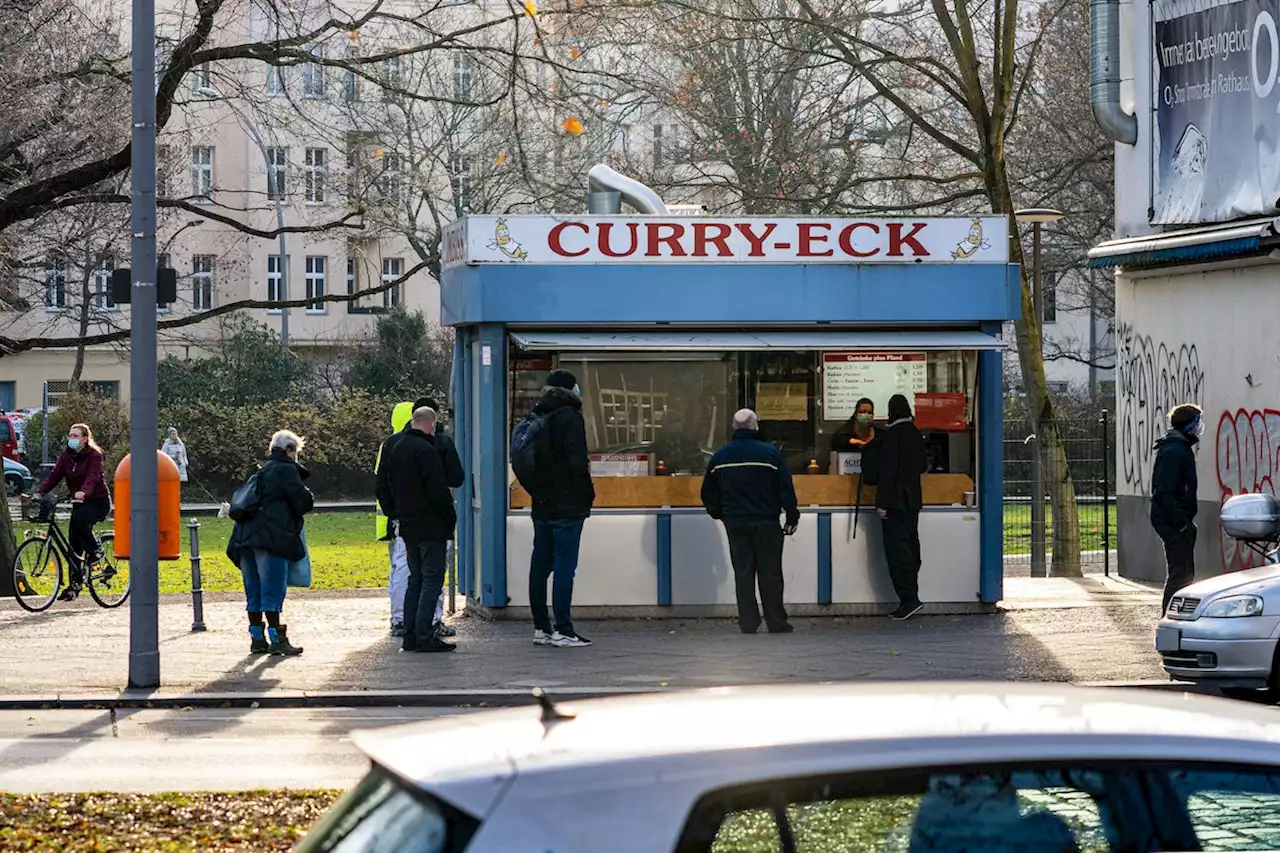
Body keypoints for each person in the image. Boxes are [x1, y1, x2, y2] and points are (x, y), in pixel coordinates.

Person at [701, 408, 799, 634]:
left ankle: (748, 622)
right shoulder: (771, 455)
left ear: (734, 428)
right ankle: (776, 621)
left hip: (735, 523)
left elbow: (708, 493)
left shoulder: (720, 458)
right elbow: (785, 489)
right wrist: (792, 514)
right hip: (766, 521)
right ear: (756, 426)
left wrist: (721, 514)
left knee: (743, 573)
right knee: (771, 572)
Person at [376, 406, 457, 653]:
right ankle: (424, 634)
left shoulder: (395, 448)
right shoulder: (427, 450)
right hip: (431, 527)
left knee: (415, 580)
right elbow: (438, 490)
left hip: (408, 525)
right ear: (431, 424)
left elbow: (382, 486)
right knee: (432, 580)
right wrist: (449, 519)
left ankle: (409, 635)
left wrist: (395, 513)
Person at [226, 430, 314, 656]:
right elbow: (303, 502)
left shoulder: (261, 471)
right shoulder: (286, 470)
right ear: (289, 450)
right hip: (271, 537)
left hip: (244, 538)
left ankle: (257, 639)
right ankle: (277, 638)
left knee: (253, 590)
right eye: (296, 452)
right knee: (272, 588)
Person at [524, 369, 595, 648]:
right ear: (570, 390)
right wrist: (587, 493)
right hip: (567, 504)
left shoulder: (538, 415)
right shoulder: (569, 417)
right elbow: (577, 462)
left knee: (540, 566)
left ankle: (541, 627)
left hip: (541, 503)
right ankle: (564, 628)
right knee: (565, 566)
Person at [35, 422, 111, 601]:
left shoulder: (94, 455)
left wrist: (84, 492)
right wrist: (39, 492)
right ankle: (73, 587)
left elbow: (93, 476)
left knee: (80, 520)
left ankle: (96, 551)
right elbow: (55, 475)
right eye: (70, 435)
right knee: (73, 543)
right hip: (79, 501)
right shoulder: (67, 457)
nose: (72, 439)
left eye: (76, 436)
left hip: (97, 501)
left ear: (85, 439)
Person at [875, 394, 928, 621]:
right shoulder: (916, 434)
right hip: (912, 501)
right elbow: (923, 466)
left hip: (895, 502)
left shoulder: (891, 437)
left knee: (897, 553)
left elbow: (888, 472)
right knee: (911, 546)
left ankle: (908, 600)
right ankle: (912, 597)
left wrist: (882, 503)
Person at [1152, 403, 1203, 612]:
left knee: (1183, 573)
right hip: (1173, 522)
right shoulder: (1175, 451)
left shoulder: (1178, 448)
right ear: (1189, 425)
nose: (1200, 427)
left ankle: (1175, 616)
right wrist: (1181, 522)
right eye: (1197, 422)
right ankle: (1170, 618)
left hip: (1176, 520)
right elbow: (1164, 491)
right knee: (1180, 575)